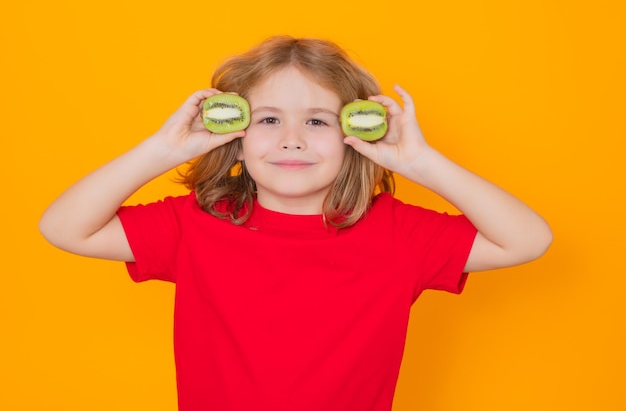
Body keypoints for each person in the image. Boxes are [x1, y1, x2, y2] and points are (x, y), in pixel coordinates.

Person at [39, 36, 552, 411]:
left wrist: (420, 164)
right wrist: (163, 150)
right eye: (267, 119)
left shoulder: (400, 235)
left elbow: (529, 238)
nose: (291, 140)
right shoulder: (194, 225)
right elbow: (65, 227)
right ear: (234, 134)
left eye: (316, 120)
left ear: (355, 131)